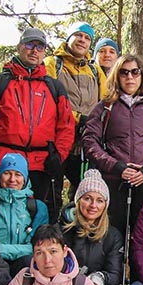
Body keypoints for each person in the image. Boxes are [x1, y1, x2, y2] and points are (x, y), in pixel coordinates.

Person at [0, 27, 76, 217]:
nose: (34, 50)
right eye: (29, 44)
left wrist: (58, 157)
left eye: (40, 46)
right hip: (2, 161)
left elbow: (66, 126)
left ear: (45, 51)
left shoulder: (54, 87)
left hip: (42, 164)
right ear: (19, 47)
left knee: (40, 218)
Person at [81, 54, 143, 236]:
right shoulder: (105, 107)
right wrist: (117, 166)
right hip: (114, 184)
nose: (130, 77)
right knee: (111, 238)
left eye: (135, 72)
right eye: (124, 73)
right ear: (117, 76)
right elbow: (89, 142)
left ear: (142, 75)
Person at [45, 22, 109, 195]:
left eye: (87, 38)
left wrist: (95, 123)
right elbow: (48, 100)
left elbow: (106, 101)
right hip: (56, 139)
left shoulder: (95, 70)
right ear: (69, 38)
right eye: (78, 35)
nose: (82, 40)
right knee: (52, 190)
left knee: (83, 190)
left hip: (86, 141)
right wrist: (78, 119)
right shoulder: (52, 64)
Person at [61, 170, 124, 285]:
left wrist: (99, 277)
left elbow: (115, 273)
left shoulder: (113, 235)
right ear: (78, 201)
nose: (93, 205)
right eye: (87, 198)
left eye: (99, 200)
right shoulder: (63, 229)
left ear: (105, 204)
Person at [0, 153, 50, 275]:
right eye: (7, 173)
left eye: (18, 174)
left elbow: (38, 248)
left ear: (25, 178)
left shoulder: (37, 208)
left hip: (24, 267)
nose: (12, 179)